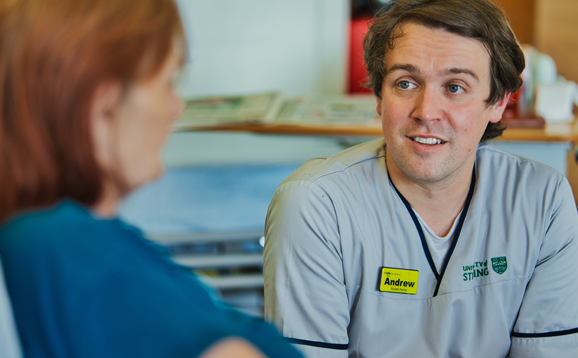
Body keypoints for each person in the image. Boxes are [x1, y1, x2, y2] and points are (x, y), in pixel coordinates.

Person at [263, 0, 578, 357]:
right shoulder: (315, 205)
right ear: (380, 96)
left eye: (455, 87)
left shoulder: (543, 200)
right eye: (406, 83)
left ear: (499, 101)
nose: (426, 112)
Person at [0, 0, 304, 357]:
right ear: (104, 109)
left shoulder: (57, 237)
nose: (175, 107)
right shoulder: (64, 244)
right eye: (167, 83)